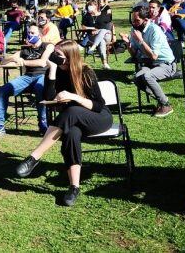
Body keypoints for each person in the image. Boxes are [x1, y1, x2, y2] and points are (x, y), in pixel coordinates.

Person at [15, 40, 112, 206]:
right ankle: (74, 187)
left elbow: (98, 106)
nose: (55, 56)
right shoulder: (54, 71)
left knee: (72, 111)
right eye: (54, 53)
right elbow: (48, 97)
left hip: (98, 118)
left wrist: (74, 97)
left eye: (58, 55)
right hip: (71, 121)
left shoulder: (85, 72)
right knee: (71, 133)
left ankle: (34, 157)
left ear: (69, 57)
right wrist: (52, 70)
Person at [0, 24, 54, 138]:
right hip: (27, 78)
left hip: (42, 76)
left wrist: (23, 62)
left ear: (40, 35)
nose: (29, 35)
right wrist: (12, 58)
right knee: (4, 90)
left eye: (33, 33)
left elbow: (42, 62)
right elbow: (3, 62)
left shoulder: (48, 46)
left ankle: (43, 123)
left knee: (40, 88)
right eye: (29, 33)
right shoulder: (25, 50)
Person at [121, 5, 176, 117]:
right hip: (150, 64)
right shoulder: (135, 30)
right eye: (133, 20)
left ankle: (165, 105)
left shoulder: (155, 30)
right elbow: (134, 54)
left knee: (148, 76)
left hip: (166, 64)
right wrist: (128, 44)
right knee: (137, 78)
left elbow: (154, 56)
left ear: (146, 20)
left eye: (137, 21)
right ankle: (162, 99)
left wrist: (141, 40)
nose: (134, 23)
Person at [80, 0, 113, 69]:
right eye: (88, 5)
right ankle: (105, 63)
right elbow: (83, 27)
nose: (89, 7)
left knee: (103, 31)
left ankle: (94, 47)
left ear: (96, 6)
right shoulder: (86, 16)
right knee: (101, 42)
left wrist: (98, 31)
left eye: (90, 5)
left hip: (106, 36)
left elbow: (108, 26)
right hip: (93, 37)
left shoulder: (103, 15)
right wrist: (92, 28)